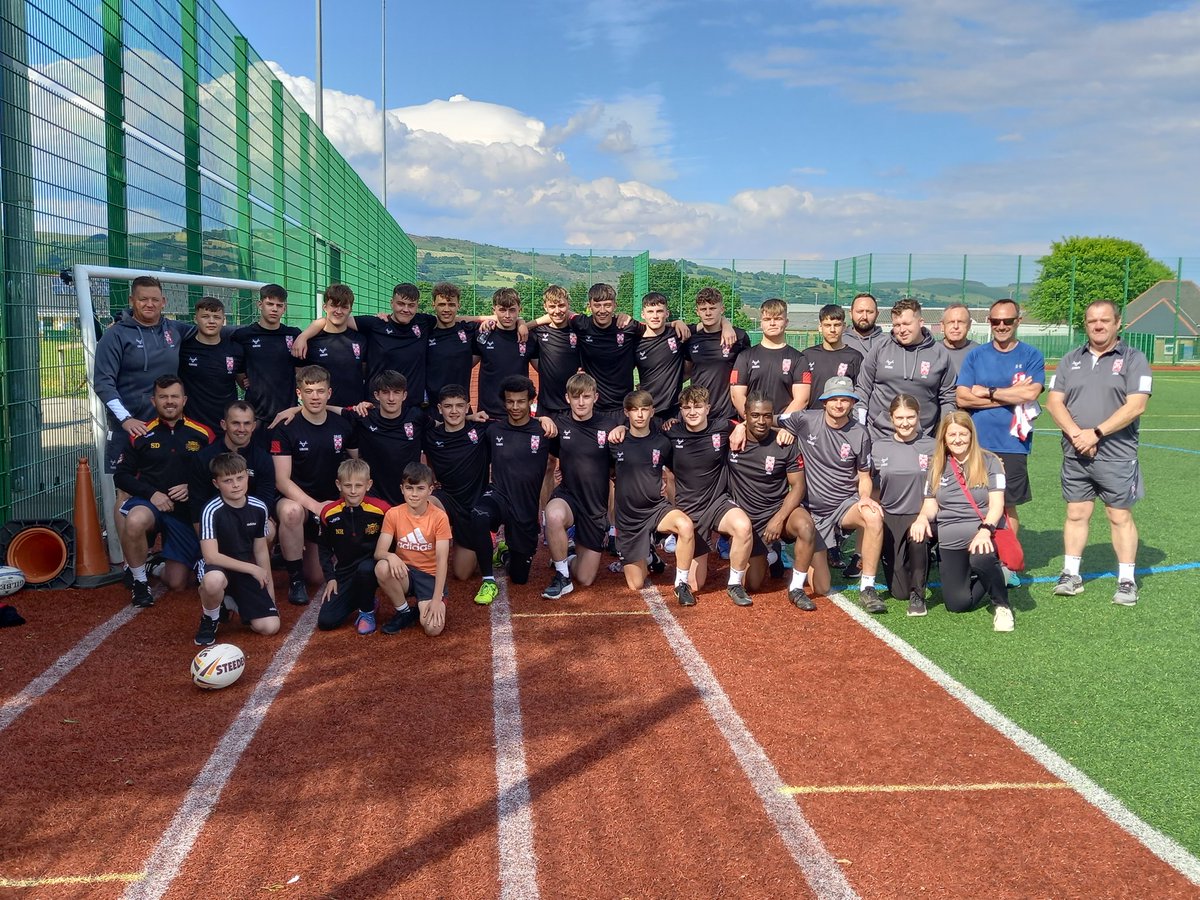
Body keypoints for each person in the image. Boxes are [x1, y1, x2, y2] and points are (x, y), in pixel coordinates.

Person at [1045, 299, 1152, 606]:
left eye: (1105, 320)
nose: (1098, 325)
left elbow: (1136, 405)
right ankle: (1071, 574)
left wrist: (1097, 432)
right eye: (1092, 321)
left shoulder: (1134, 359)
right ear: (1086, 324)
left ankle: (1127, 580)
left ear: (1118, 323)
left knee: (1118, 515)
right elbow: (1054, 402)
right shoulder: (1070, 359)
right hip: (1075, 452)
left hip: (1116, 454)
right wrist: (1077, 434)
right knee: (1076, 512)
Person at [776, 376, 884, 610]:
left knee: (873, 515)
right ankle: (810, 551)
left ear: (852, 403)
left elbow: (864, 475)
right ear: (824, 402)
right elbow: (767, 421)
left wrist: (865, 498)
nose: (839, 404)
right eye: (834, 399)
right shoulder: (804, 419)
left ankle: (868, 587)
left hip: (845, 505)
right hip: (813, 512)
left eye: (845, 400)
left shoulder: (861, 433)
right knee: (822, 588)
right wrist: (745, 428)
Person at [114, 375, 214, 608]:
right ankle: (139, 582)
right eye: (163, 397)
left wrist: (192, 486)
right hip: (151, 505)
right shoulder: (140, 434)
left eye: (174, 397)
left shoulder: (203, 433)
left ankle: (155, 566)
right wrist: (152, 494)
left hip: (185, 514)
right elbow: (122, 475)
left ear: (184, 400)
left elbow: (216, 473)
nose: (169, 402)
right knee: (135, 519)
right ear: (153, 400)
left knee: (178, 583)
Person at [910, 412, 1014, 631]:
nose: (958, 439)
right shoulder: (936, 465)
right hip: (950, 536)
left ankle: (1002, 606)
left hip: (982, 532)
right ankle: (995, 575)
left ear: (971, 435)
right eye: (952, 434)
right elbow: (931, 504)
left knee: (981, 559)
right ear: (944, 439)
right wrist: (921, 518)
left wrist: (985, 530)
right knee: (957, 604)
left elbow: (996, 506)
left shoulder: (990, 461)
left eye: (963, 434)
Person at [654, 384, 754, 605]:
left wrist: (742, 425)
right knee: (696, 584)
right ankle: (681, 583)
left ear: (708, 408)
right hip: (688, 509)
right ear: (680, 410)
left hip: (717, 502)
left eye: (698, 406)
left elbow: (756, 422)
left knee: (743, 526)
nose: (692, 412)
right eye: (686, 407)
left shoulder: (723, 427)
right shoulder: (671, 431)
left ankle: (735, 584)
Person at [955, 299, 1045, 542]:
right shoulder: (976, 355)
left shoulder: (1031, 355)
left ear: (1018, 321)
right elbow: (963, 397)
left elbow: (1030, 393)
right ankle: (976, 554)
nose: (1002, 325)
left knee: (1007, 504)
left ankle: (1007, 564)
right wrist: (1009, 396)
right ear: (989, 322)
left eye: (1007, 321)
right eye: (996, 321)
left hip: (1012, 444)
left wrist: (988, 391)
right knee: (973, 501)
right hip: (976, 443)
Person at [271, 365, 357, 606]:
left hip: (330, 501)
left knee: (318, 577)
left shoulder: (342, 426)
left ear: (329, 393)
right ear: (299, 393)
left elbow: (358, 463)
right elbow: (281, 480)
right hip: (299, 501)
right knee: (291, 512)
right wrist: (317, 507)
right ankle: (295, 579)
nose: (315, 396)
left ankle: (300, 551)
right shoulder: (286, 427)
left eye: (320, 391)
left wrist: (341, 500)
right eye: (309, 391)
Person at [726, 393, 817, 607]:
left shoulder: (784, 442)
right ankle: (772, 554)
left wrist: (778, 518)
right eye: (755, 415)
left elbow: (798, 486)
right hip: (748, 518)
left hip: (778, 510)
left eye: (767, 416)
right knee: (753, 584)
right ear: (745, 415)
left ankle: (796, 588)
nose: (761, 421)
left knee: (806, 526)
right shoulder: (730, 439)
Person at [468, 375, 557, 589]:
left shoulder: (544, 431)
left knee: (519, 578)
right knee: (479, 515)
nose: (515, 406)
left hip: (525, 508)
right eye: (510, 401)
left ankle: (506, 553)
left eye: (521, 401)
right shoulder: (493, 430)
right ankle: (488, 580)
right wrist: (470, 418)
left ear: (530, 401)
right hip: (499, 496)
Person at [94, 276, 189, 474]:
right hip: (130, 426)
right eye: (143, 299)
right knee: (125, 491)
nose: (149, 304)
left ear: (163, 302)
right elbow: (103, 383)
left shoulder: (174, 329)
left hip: (166, 425)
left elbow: (213, 333)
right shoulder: (115, 335)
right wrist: (125, 419)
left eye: (155, 299)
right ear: (131, 300)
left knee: (166, 482)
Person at [608, 390, 697, 604]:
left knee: (685, 525)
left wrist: (668, 487)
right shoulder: (615, 441)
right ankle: (650, 554)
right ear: (626, 413)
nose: (639, 415)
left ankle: (681, 584)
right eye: (634, 410)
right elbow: (606, 477)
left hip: (656, 509)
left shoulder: (663, 442)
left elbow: (675, 473)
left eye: (644, 409)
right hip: (629, 518)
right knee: (636, 584)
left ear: (652, 412)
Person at [542, 374, 615, 599]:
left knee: (585, 578)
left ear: (596, 397)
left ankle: (568, 555)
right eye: (576, 397)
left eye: (586, 396)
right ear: (567, 398)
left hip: (595, 507)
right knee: (553, 515)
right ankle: (562, 576)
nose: (581, 402)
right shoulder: (559, 423)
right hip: (568, 497)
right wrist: (539, 420)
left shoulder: (610, 425)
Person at [195, 453, 279, 645]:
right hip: (218, 567)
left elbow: (260, 551)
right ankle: (210, 617)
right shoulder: (211, 510)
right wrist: (251, 568)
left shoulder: (259, 507)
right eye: (228, 480)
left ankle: (229, 601)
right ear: (216, 484)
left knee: (270, 627)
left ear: (247, 476)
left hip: (244, 570)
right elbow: (210, 557)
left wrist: (270, 594)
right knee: (214, 581)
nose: (236, 485)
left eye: (240, 478)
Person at [422, 384, 495, 596]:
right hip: (447, 499)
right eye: (448, 406)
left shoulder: (481, 430)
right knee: (426, 504)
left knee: (463, 573)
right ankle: (425, 569)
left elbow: (514, 422)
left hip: (474, 505)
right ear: (439, 408)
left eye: (459, 406)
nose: (453, 411)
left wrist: (542, 419)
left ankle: (486, 537)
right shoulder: (430, 436)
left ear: (468, 408)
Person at [858, 297, 957, 442]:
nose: (901, 330)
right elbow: (863, 389)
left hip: (922, 438)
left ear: (920, 323)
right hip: (879, 435)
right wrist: (860, 427)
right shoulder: (880, 348)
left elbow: (948, 397)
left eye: (906, 324)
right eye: (896, 325)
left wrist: (948, 431)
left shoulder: (940, 354)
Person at [873, 394, 936, 616]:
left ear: (919, 416)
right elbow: (872, 486)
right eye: (899, 418)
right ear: (891, 418)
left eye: (910, 417)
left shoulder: (932, 446)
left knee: (918, 537)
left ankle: (918, 595)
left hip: (921, 514)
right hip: (891, 518)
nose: (905, 423)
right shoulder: (879, 447)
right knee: (898, 591)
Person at [375, 462, 451, 637]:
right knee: (382, 567)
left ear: (430, 490)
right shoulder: (393, 514)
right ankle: (404, 612)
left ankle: (425, 605)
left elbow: (442, 560)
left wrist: (437, 599)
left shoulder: (439, 517)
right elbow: (379, 552)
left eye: (420, 488)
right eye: (409, 488)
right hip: (406, 573)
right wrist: (391, 556)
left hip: (430, 577)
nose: (414, 494)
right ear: (402, 489)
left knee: (433, 629)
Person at [316, 459, 390, 634]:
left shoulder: (382, 510)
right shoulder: (329, 513)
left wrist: (391, 558)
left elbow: (395, 536)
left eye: (359, 485)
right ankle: (366, 599)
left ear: (368, 485)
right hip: (345, 571)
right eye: (348, 485)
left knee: (366, 568)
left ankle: (367, 612)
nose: (354, 491)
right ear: (338, 485)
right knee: (327, 621)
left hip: (374, 567)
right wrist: (330, 577)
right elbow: (324, 548)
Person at [190, 400, 277, 540]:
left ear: (254, 426)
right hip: (215, 522)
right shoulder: (204, 458)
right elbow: (197, 505)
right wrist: (205, 542)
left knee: (269, 530)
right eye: (235, 423)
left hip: (250, 519)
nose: (241, 429)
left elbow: (265, 501)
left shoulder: (263, 458)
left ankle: (255, 562)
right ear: (224, 425)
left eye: (247, 423)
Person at [340, 371, 426, 507]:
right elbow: (326, 409)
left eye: (396, 392)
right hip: (375, 498)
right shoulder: (364, 417)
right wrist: (293, 411)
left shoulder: (416, 417)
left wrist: (469, 418)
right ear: (377, 395)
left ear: (404, 395)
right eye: (386, 392)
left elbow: (443, 425)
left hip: (409, 497)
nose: (391, 398)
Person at [233, 283, 301, 442]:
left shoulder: (293, 334)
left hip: (287, 413)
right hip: (256, 416)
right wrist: (247, 381)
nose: (274, 309)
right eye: (270, 304)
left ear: (284, 308)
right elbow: (238, 372)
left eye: (279, 305)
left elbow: (300, 371)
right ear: (260, 305)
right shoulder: (244, 335)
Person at [177, 296, 244, 435]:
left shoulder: (235, 350)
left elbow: (243, 381)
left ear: (223, 320)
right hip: (193, 426)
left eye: (216, 317)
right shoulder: (183, 349)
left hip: (226, 426)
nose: (211, 321)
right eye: (205, 316)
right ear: (196, 319)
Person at [730, 298, 805, 418]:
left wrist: (780, 423)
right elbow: (737, 395)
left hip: (783, 431)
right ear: (761, 323)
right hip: (752, 428)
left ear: (786, 322)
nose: (772, 323)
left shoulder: (799, 359)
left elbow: (802, 399)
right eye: (767, 319)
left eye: (778, 319)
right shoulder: (745, 357)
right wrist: (752, 420)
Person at [684, 287, 750, 422]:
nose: (708, 313)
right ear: (697, 312)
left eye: (712, 308)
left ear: (722, 309)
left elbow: (748, 375)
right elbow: (687, 372)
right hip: (698, 413)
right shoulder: (691, 338)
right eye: (703, 309)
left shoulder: (739, 337)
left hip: (728, 414)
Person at [296, 284, 367, 407]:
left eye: (344, 307)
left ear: (350, 310)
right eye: (333, 305)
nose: (338, 311)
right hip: (321, 413)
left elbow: (364, 372)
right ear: (325, 307)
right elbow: (299, 377)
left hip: (353, 412)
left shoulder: (361, 340)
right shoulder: (309, 342)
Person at [475, 289, 538, 419]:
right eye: (502, 310)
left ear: (519, 309)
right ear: (494, 310)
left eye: (512, 310)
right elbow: (463, 365)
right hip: (488, 414)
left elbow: (544, 369)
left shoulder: (530, 338)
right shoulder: (482, 334)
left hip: (518, 414)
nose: (507, 315)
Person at [425, 282, 481, 409]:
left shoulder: (468, 330)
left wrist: (521, 322)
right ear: (433, 305)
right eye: (441, 304)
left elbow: (500, 319)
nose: (446, 309)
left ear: (458, 306)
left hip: (461, 405)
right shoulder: (425, 333)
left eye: (451, 305)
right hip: (432, 407)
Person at [797, 304, 863, 410]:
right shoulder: (807, 355)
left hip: (842, 421)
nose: (832, 330)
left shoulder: (855, 357)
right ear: (820, 327)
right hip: (812, 419)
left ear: (844, 326)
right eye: (827, 325)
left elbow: (859, 393)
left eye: (837, 325)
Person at [634, 292, 688, 423]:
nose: (655, 316)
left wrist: (726, 324)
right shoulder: (635, 343)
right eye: (650, 311)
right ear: (643, 314)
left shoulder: (678, 334)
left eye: (659, 311)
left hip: (674, 411)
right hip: (647, 411)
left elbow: (706, 325)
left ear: (667, 313)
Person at [843, 292, 885, 359]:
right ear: (851, 314)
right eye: (860, 311)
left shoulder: (887, 343)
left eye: (869, 312)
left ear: (877, 314)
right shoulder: (840, 341)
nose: (864, 317)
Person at [940, 302, 977, 377]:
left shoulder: (979, 353)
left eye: (961, 322)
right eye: (951, 322)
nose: (956, 326)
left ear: (969, 325)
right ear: (942, 325)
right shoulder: (931, 351)